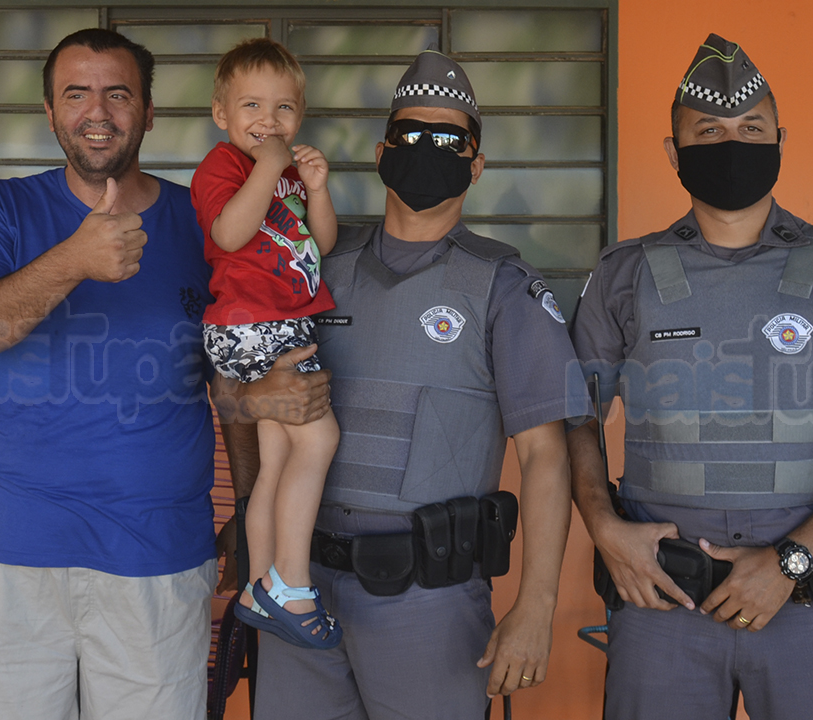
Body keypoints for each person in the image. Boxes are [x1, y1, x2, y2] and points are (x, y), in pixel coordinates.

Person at [0, 28, 323, 720]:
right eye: (76, 94)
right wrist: (73, 259)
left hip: (159, 556)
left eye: (118, 94)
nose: (97, 111)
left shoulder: (202, 221)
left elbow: (224, 375)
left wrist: (244, 508)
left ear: (148, 112)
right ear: (50, 112)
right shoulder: (0, 209)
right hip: (15, 551)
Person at [567, 34, 813, 720]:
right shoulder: (623, 276)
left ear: (780, 142)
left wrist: (790, 561)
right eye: (709, 131)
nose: (731, 143)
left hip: (806, 603)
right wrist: (603, 526)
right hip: (660, 600)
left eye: (750, 129)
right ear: (674, 153)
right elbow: (574, 421)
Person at [248, 50, 592, 719]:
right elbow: (255, 395)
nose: (425, 151)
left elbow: (546, 456)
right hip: (300, 586)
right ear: (381, 152)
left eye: (448, 140)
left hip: (426, 601)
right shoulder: (317, 266)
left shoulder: (503, 288)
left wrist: (536, 602)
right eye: (409, 136)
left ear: (477, 163)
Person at [191, 37, 342, 649]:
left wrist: (318, 186)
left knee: (277, 459)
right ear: (221, 114)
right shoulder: (223, 167)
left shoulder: (288, 176)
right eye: (251, 106)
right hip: (249, 325)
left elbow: (322, 244)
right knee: (321, 435)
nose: (268, 122)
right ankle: (294, 585)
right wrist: (267, 167)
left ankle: (259, 584)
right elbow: (229, 234)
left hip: (284, 323)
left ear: (299, 116)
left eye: (283, 109)